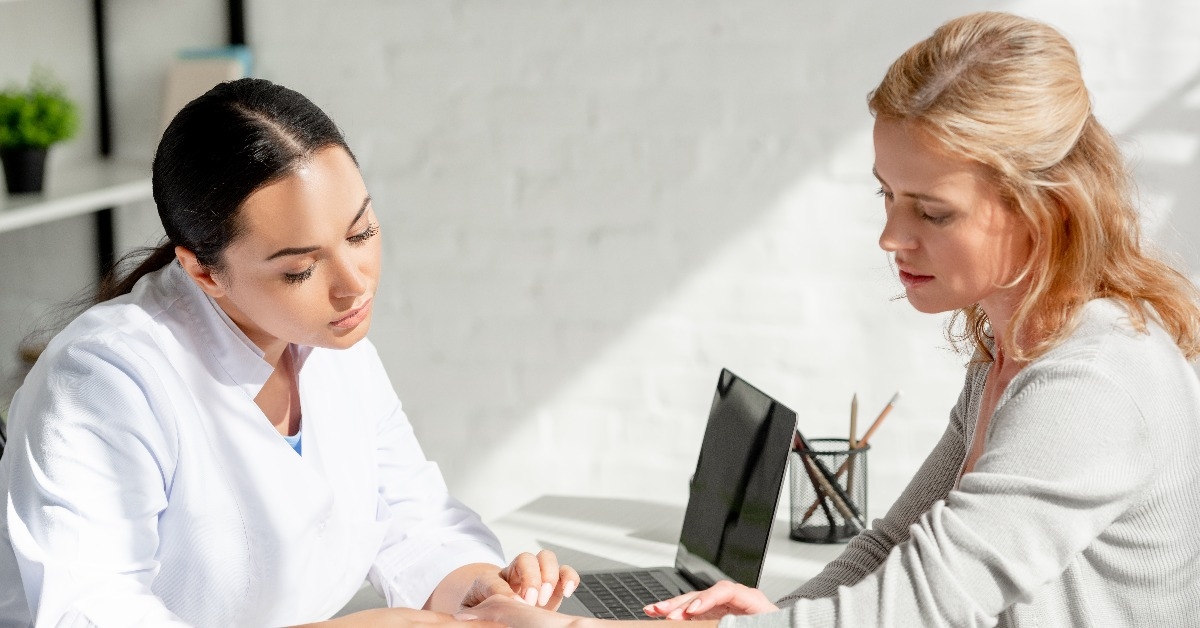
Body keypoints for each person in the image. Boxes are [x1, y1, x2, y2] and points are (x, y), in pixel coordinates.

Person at [460, 11, 1200, 628]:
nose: (891, 237)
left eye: (932, 212)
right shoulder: (1010, 355)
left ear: (1047, 210)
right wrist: (785, 611)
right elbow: (894, 548)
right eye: (888, 196)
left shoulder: (1095, 384)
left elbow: (924, 601)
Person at [0, 78, 578, 627]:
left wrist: (473, 586)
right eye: (301, 269)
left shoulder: (331, 341)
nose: (354, 284)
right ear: (204, 270)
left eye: (361, 233)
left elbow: (408, 514)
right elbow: (90, 609)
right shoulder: (104, 378)